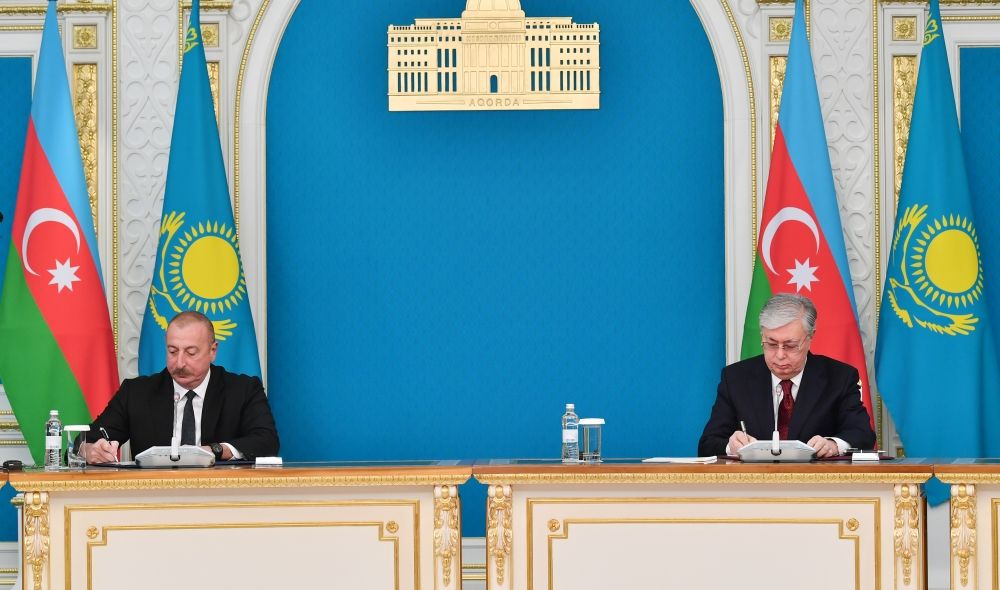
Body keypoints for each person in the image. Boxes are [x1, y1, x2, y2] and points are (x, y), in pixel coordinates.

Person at [83, 311, 279, 463]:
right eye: (172, 351)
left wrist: (216, 450)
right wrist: (90, 450)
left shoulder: (243, 390)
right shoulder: (136, 393)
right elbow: (85, 440)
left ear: (213, 351)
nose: (179, 363)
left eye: (191, 353)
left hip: (220, 495)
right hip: (154, 496)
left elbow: (267, 442)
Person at [698, 293, 875, 458]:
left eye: (790, 345)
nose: (780, 355)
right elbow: (707, 445)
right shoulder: (736, 378)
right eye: (771, 344)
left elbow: (862, 434)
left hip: (816, 480)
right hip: (755, 480)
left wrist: (833, 445)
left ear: (810, 337)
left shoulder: (839, 377)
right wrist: (731, 446)